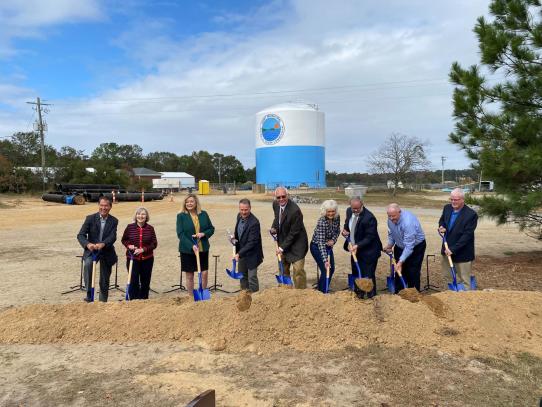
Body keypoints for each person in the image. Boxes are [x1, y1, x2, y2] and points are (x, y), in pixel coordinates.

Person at [77, 196, 118, 302]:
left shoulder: (114, 221)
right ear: (98, 205)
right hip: (92, 251)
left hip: (106, 251)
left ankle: (103, 300)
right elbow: (80, 235)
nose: (103, 208)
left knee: (104, 278)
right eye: (102, 205)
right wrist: (87, 244)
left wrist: (104, 244)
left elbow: (113, 237)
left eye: (106, 206)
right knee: (88, 265)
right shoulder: (90, 218)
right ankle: (89, 296)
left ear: (110, 207)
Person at [342, 197, 382, 298]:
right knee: (356, 271)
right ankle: (359, 294)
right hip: (355, 249)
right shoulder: (349, 211)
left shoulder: (369, 218)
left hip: (369, 251)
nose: (355, 211)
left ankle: (371, 296)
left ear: (362, 205)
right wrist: (345, 231)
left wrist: (357, 245)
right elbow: (348, 225)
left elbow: (370, 237)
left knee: (367, 275)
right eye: (353, 208)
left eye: (357, 209)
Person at [438, 188, 478, 289]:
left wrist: (453, 249)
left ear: (462, 200)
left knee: (464, 279)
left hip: (462, 252)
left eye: (456, 200)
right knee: (448, 277)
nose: (453, 202)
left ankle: (464, 300)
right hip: (447, 249)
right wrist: (441, 227)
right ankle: (451, 295)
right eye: (451, 199)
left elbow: (467, 236)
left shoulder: (471, 215)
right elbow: (442, 220)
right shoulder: (447, 208)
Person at [270, 187, 309, 288]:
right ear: (276, 198)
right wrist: (274, 228)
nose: (281, 199)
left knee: (298, 271)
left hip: (297, 244)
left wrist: (281, 248)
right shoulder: (275, 204)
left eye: (283, 196)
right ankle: (285, 291)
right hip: (283, 240)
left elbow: (294, 233)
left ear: (288, 196)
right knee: (283, 269)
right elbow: (277, 218)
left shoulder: (295, 211)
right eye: (278, 197)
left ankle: (301, 294)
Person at [176, 194, 215, 295]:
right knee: (190, 275)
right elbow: (180, 234)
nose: (189, 203)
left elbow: (211, 228)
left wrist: (204, 234)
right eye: (187, 202)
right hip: (187, 249)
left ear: (196, 202)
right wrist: (191, 246)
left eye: (191, 201)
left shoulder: (204, 214)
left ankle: (202, 294)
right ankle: (191, 296)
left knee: (204, 273)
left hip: (202, 248)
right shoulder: (181, 216)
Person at [383, 203, 426, 292]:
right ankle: (399, 293)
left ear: (400, 212)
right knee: (399, 271)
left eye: (393, 216)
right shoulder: (390, 219)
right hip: (400, 246)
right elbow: (391, 233)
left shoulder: (408, 223)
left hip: (415, 247)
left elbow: (409, 246)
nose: (391, 218)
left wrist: (401, 261)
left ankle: (413, 294)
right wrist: (390, 245)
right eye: (389, 216)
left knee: (412, 271)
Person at [121, 207, 158, 299]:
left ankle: (144, 300)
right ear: (135, 215)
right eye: (138, 214)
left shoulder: (150, 228)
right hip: (132, 259)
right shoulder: (130, 227)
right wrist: (129, 246)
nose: (140, 216)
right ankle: (134, 300)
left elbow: (154, 243)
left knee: (145, 281)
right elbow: (124, 240)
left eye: (143, 214)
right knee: (133, 281)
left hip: (147, 259)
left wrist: (143, 249)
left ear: (146, 216)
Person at [232, 198, 264, 292]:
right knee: (242, 276)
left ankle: (255, 297)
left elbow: (252, 242)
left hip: (252, 254)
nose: (243, 212)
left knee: (252, 277)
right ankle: (245, 295)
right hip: (242, 253)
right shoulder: (239, 216)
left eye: (246, 210)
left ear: (250, 208)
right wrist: (234, 238)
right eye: (241, 209)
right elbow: (239, 232)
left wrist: (238, 254)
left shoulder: (254, 223)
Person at [310, 200, 340, 292]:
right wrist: (325, 260)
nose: (331, 213)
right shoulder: (321, 222)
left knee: (332, 268)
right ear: (325, 211)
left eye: (333, 211)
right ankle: (322, 291)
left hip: (328, 246)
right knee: (326, 268)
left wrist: (333, 240)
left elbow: (337, 231)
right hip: (317, 247)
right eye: (328, 211)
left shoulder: (337, 217)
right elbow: (321, 243)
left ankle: (322, 286)